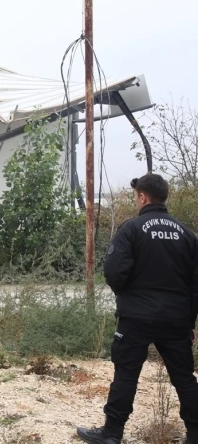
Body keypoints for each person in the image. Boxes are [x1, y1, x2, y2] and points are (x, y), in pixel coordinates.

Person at [77, 173, 198, 444]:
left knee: (126, 374)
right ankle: (196, 433)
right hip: (176, 318)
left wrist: (128, 296)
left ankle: (111, 433)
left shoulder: (131, 229)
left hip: (136, 318)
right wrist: (190, 322)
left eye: (135, 197)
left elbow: (113, 272)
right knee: (184, 378)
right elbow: (195, 285)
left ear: (142, 197)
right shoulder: (187, 235)